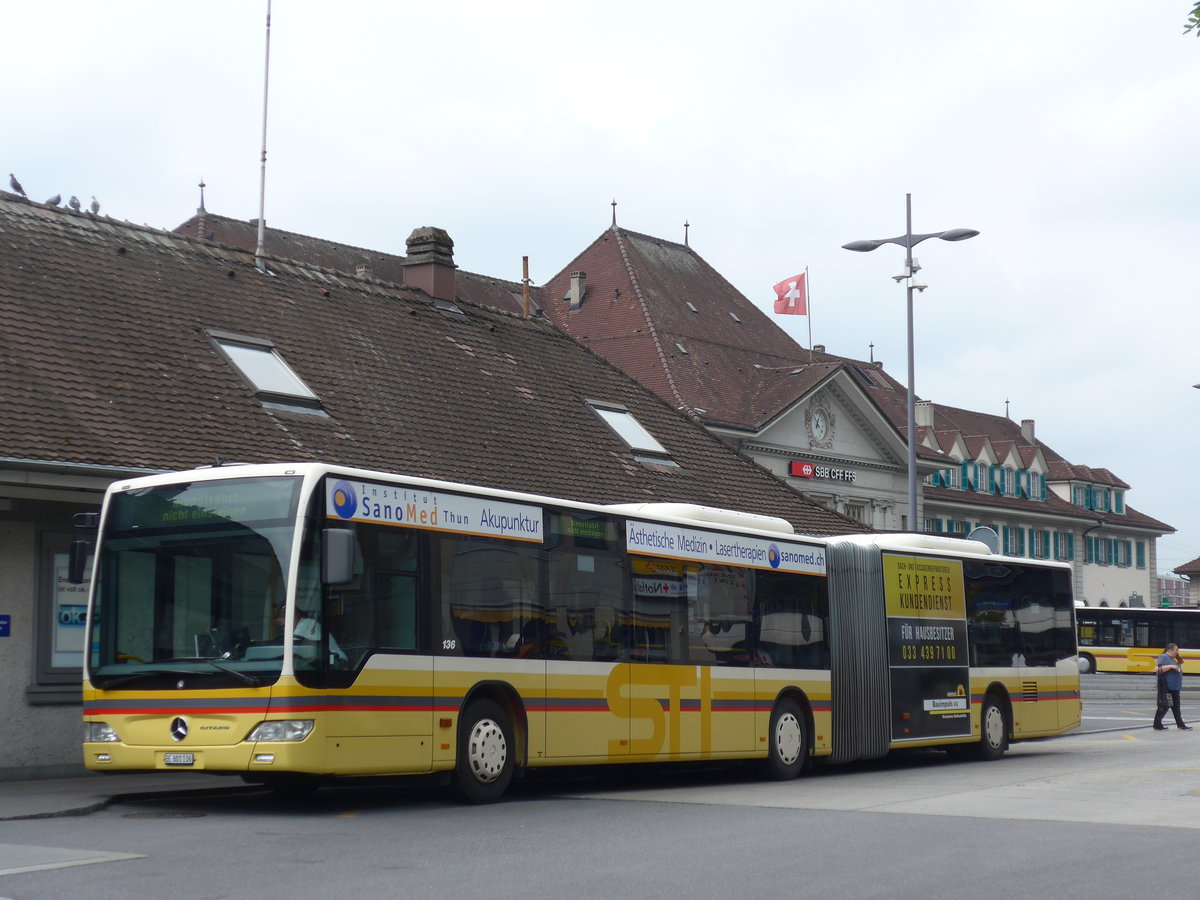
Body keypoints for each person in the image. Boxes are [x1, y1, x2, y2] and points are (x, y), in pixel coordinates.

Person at [1153, 643, 1192, 731]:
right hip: (1168, 687)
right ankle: (1157, 724)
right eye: (1176, 650)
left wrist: (1179, 662)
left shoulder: (1171, 659)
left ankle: (1180, 724)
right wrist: (1171, 666)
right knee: (1165, 705)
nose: (1177, 652)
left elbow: (1177, 669)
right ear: (1170, 650)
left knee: (1175, 706)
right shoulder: (1164, 657)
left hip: (1174, 687)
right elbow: (1158, 669)